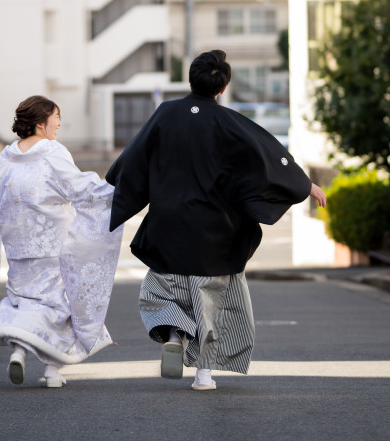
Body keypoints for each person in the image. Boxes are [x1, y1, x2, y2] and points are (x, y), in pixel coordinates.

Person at [105, 50, 327, 391]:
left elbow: (133, 159)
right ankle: (203, 375)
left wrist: (111, 187)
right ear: (222, 88)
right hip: (214, 233)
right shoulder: (230, 122)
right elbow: (267, 158)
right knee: (211, 302)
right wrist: (304, 184)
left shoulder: (165, 114)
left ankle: (175, 332)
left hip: (168, 225)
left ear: (190, 79)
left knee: (160, 290)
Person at [0, 95, 123, 388]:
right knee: (56, 303)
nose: (59, 123)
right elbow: (79, 187)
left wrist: (9, 222)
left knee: (22, 299)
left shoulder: (8, 156)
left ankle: (19, 351)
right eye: (56, 117)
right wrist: (116, 191)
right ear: (41, 122)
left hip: (18, 246)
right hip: (51, 243)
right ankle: (53, 372)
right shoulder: (52, 152)